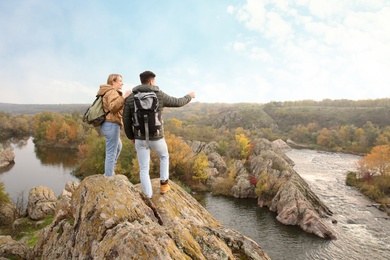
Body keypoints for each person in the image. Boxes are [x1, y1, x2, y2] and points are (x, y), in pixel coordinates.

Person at [123, 71, 195, 198]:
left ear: (142, 81)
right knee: (164, 156)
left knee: (144, 168)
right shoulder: (159, 95)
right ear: (151, 81)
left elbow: (126, 119)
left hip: (140, 137)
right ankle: (163, 185)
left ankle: (148, 196)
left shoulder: (130, 98)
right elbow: (178, 102)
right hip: (157, 136)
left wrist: (131, 137)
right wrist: (189, 96)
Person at [98, 74, 131, 177]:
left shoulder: (108, 91)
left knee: (118, 146)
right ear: (113, 82)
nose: (122, 83)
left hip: (107, 125)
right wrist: (124, 97)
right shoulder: (112, 92)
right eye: (120, 81)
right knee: (111, 153)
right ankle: (109, 177)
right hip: (111, 124)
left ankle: (110, 169)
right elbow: (113, 107)